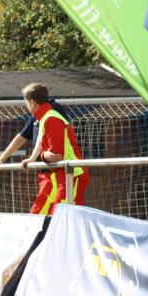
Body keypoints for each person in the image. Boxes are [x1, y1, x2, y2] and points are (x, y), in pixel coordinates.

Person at [15, 83, 89, 215]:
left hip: (73, 174)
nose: (26, 106)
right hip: (66, 175)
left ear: (32, 103)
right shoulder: (45, 117)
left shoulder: (51, 118)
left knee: (63, 218)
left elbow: (56, 155)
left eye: (25, 103)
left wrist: (42, 156)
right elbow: (44, 143)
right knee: (57, 218)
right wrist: (34, 157)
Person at [0, 95, 73, 175]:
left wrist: (43, 156)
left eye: (27, 104)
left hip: (59, 171)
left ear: (32, 103)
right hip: (44, 171)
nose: (27, 108)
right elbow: (21, 138)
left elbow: (60, 140)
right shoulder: (37, 115)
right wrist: (0, 160)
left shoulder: (53, 111)